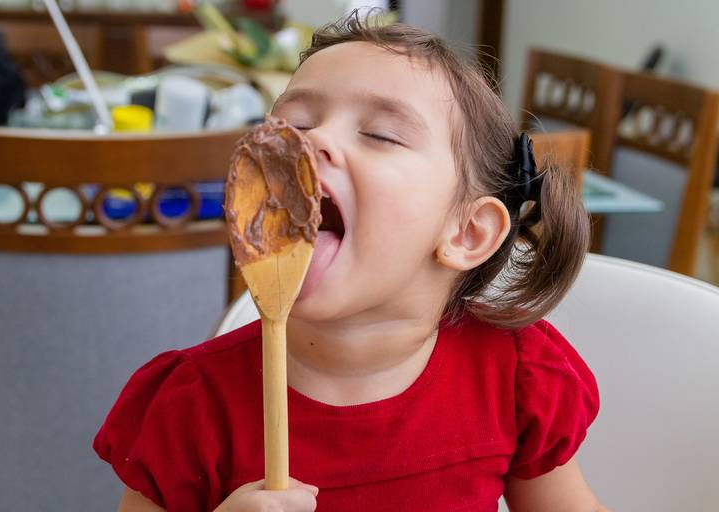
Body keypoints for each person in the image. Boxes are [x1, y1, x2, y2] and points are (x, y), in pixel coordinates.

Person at [95, 11, 607, 512]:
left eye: (381, 134)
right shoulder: (192, 405)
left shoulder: (515, 376)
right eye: (292, 124)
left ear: (467, 232)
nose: (311, 140)